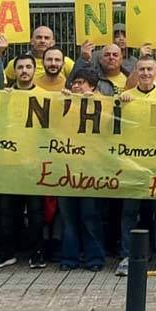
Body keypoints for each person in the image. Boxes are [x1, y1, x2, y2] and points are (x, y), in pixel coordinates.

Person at [0, 51, 50, 269]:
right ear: (14, 71)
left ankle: (37, 252)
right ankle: (7, 252)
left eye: (28, 67)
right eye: (20, 67)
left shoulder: (45, 95)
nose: (24, 71)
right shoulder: (5, 95)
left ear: (34, 70)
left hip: (33, 162)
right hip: (7, 162)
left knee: (35, 211)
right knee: (5, 211)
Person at [117, 55, 156, 277]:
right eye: (141, 69)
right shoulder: (126, 97)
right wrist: (119, 106)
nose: (145, 73)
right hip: (132, 164)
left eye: (149, 69)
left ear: (155, 72)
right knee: (129, 211)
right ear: (135, 72)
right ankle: (127, 255)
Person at [57, 70, 106, 272]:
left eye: (81, 83)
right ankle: (69, 258)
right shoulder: (63, 103)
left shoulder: (103, 105)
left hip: (90, 170)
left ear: (92, 87)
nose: (76, 86)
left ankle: (94, 258)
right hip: (65, 168)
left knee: (89, 215)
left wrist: (97, 101)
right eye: (74, 83)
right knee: (68, 217)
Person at [2, 26, 74, 81]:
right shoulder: (18, 62)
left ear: (53, 42)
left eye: (46, 38)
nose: (42, 41)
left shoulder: (65, 62)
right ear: (32, 41)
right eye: (39, 37)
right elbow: (3, 84)